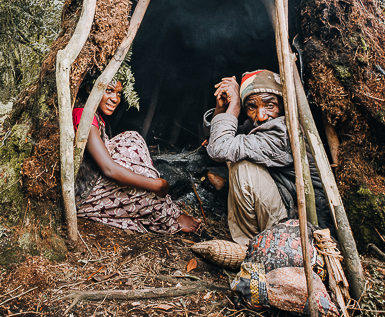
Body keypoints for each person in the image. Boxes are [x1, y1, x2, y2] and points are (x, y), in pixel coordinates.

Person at [205, 70, 331, 246]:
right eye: (251, 107)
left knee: (242, 165)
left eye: (270, 105)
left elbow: (219, 149)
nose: (261, 115)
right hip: (283, 208)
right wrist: (221, 109)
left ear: (282, 105)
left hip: (300, 224)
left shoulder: (283, 132)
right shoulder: (255, 126)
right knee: (235, 154)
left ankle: (254, 245)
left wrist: (234, 106)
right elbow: (215, 140)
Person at [73, 80, 201, 234]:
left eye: (119, 93)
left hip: (95, 178)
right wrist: (158, 186)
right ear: (90, 88)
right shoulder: (83, 114)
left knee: (132, 137)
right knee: (148, 192)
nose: (115, 99)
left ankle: (164, 201)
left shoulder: (92, 113)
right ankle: (172, 215)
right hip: (86, 195)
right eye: (109, 90)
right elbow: (108, 169)